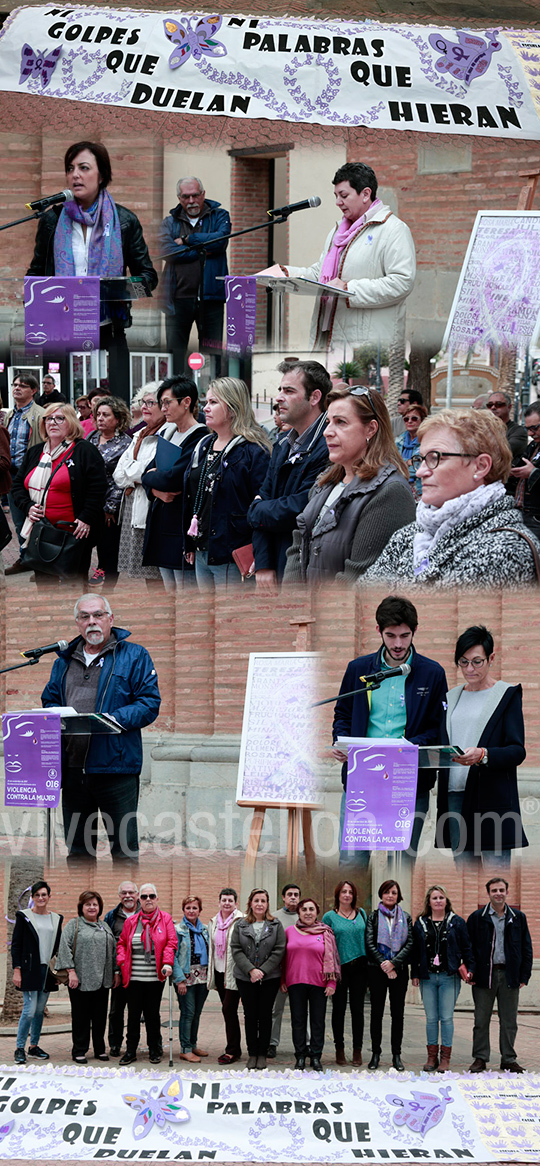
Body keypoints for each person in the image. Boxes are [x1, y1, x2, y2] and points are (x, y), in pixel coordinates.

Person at [27, 140, 158, 389]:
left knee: (115, 405)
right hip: (61, 327)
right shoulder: (51, 220)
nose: (75, 174)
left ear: (102, 175)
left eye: (84, 168)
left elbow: (148, 277)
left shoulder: (125, 221)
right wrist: (33, 302)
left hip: (109, 327)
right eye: (70, 168)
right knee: (58, 407)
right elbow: (36, 272)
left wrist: (120, 290)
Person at [41, 593, 161, 861]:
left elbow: (149, 702)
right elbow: (50, 698)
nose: (92, 622)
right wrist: (52, 713)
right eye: (85, 617)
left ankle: (126, 903)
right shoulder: (63, 660)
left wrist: (113, 719)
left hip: (115, 769)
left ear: (111, 619)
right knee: (79, 853)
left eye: (98, 615)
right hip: (72, 771)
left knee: (124, 853)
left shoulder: (134, 655)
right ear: (77, 623)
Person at [365, 407, 540, 586]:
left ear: (480, 466)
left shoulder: (507, 550)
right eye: (421, 459)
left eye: (436, 458)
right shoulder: (410, 534)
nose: (421, 472)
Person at [332, 595, 448, 858]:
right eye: (391, 635)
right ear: (378, 631)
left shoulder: (432, 673)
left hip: (410, 780)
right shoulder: (358, 669)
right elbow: (343, 714)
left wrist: (409, 747)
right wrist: (341, 741)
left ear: (415, 631)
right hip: (362, 779)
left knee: (403, 863)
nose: (398, 644)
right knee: (351, 861)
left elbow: (439, 727)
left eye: (405, 636)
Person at [260, 162, 416, 352]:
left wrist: (349, 288)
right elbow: (320, 275)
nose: (337, 202)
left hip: (366, 345)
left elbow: (402, 282)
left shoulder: (393, 230)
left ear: (366, 194)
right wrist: (284, 272)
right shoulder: (338, 231)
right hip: (327, 337)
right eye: (336, 196)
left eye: (343, 195)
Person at [283, 386, 415, 584]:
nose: (327, 432)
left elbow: (359, 578)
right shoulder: (324, 482)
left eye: (340, 422)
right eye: (328, 422)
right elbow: (298, 546)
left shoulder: (389, 492)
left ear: (370, 428)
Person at [436, 625, 528, 863]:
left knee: (496, 875)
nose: (470, 669)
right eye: (463, 662)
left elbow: (517, 751)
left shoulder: (506, 695)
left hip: (492, 798)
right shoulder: (451, 697)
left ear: (491, 658)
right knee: (464, 874)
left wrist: (483, 754)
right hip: (455, 796)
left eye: (477, 662)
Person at [248, 361, 331, 587]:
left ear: (314, 397)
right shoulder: (283, 443)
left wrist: (256, 510)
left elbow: (302, 508)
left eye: (289, 391)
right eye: (280, 390)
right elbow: (265, 499)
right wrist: (264, 562)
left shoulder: (330, 445)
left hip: (303, 568)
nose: (278, 398)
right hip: (274, 564)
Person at [184, 377, 271, 590]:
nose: (206, 408)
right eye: (207, 402)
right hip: (202, 548)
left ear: (233, 408)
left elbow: (261, 506)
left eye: (214, 402)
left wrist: (261, 557)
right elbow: (194, 495)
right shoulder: (204, 445)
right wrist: (190, 542)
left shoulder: (254, 451)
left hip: (233, 553)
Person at [10, 403, 107, 586]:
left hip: (73, 533)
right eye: (48, 418)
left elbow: (98, 488)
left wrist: (86, 517)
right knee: (45, 586)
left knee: (74, 586)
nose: (52, 422)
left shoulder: (84, 450)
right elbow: (17, 487)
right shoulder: (35, 452)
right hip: (41, 532)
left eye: (60, 418)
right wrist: (28, 506)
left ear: (71, 422)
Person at [141, 376, 208, 590]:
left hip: (180, 525)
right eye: (161, 403)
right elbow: (144, 473)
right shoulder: (169, 432)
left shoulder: (200, 437)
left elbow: (174, 479)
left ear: (186, 402)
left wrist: (155, 478)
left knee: (184, 592)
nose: (163, 408)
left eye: (168, 402)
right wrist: (155, 490)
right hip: (161, 521)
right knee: (168, 592)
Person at [159, 176, 230, 374]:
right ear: (179, 198)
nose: (191, 201)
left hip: (211, 298)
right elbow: (166, 251)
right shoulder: (169, 222)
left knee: (212, 354)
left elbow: (220, 241)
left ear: (203, 194)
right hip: (177, 298)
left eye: (195, 195)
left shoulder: (219, 215)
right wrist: (199, 251)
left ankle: (211, 396)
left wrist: (186, 239)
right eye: (186, 196)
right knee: (176, 355)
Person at [467, 877, 532, 1073]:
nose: (498, 893)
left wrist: (524, 975)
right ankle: (480, 1058)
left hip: (509, 976)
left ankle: (509, 1059)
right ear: (488, 893)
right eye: (494, 890)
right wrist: (471, 970)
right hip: (484, 976)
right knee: (481, 1020)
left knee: (509, 1021)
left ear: (507, 892)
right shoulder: (477, 917)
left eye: (501, 890)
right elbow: (468, 947)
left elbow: (526, 947)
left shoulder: (518, 917)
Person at [411, 885, 474, 1073]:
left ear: (446, 901)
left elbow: (467, 947)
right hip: (428, 977)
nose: (438, 901)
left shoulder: (457, 922)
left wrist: (470, 969)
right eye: (434, 898)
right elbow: (415, 951)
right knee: (431, 1018)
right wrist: (414, 973)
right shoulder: (420, 923)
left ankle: (445, 1058)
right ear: (428, 902)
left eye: (441, 897)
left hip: (449, 976)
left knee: (446, 1018)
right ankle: (431, 1057)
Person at [116, 883, 177, 1066]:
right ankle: (131, 1051)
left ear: (157, 898)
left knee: (152, 1014)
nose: (148, 900)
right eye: (144, 897)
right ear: (138, 900)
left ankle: (154, 1049)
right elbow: (122, 944)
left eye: (151, 896)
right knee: (133, 1015)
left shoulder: (165, 919)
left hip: (154, 978)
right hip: (133, 977)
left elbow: (170, 943)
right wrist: (122, 961)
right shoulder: (131, 922)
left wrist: (167, 963)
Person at [56, 890, 116, 1064]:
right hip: (79, 980)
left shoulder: (105, 926)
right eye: (88, 904)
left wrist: (115, 972)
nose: (91, 907)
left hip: (103, 981)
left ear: (99, 907)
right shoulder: (74, 925)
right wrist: (71, 971)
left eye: (95, 904)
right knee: (81, 1017)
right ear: (81, 907)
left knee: (99, 1017)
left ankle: (99, 1049)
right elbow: (64, 948)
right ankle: (79, 1050)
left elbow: (112, 951)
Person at [113, 384, 163, 586]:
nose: (145, 407)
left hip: (151, 509)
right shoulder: (139, 434)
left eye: (151, 403)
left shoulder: (167, 434)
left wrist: (136, 473)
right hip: (134, 506)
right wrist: (138, 474)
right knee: (148, 577)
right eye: (143, 402)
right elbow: (119, 475)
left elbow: (152, 473)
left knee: (158, 577)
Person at [230, 889, 285, 1071]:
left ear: (267, 904)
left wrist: (262, 970)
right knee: (250, 1015)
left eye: (263, 900)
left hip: (270, 978)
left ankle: (262, 1054)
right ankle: (252, 1053)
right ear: (250, 903)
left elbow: (279, 950)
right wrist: (251, 970)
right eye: (256, 900)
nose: (260, 904)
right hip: (245, 978)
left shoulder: (275, 925)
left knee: (265, 1015)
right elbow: (236, 949)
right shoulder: (241, 925)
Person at [284, 897, 340, 1071]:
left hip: (319, 984)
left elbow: (332, 958)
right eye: (304, 910)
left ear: (316, 913)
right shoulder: (289, 931)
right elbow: (283, 959)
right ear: (298, 913)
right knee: (298, 1021)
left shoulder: (325, 932)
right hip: (295, 982)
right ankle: (300, 1055)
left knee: (318, 1021)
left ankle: (316, 1056)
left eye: (311, 909)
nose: (308, 913)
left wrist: (332, 982)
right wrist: (283, 980)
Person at [11, 880, 63, 1065]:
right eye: (37, 895)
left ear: (49, 896)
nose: (41, 898)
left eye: (44, 894)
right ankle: (19, 1048)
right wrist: (17, 970)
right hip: (29, 969)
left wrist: (58, 973)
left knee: (40, 1010)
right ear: (32, 897)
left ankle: (33, 1046)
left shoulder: (56, 919)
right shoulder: (24, 917)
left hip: (47, 970)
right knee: (29, 1010)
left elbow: (58, 947)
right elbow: (16, 945)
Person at [365, 880, 413, 1072]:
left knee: (397, 1014)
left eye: (393, 892)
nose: (390, 896)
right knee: (376, 1013)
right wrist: (385, 964)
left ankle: (396, 1055)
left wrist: (394, 963)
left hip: (399, 971)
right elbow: (369, 943)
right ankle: (375, 1053)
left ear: (398, 895)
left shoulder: (406, 917)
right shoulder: (374, 917)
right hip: (377, 970)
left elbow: (410, 943)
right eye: (386, 892)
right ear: (381, 895)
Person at [87, 395, 132, 587]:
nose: (100, 418)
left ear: (118, 419)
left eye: (106, 415)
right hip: (88, 503)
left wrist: (110, 508)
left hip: (108, 508)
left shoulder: (125, 443)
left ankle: (109, 590)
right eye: (98, 414)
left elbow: (121, 479)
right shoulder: (92, 437)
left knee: (108, 549)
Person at [322, 880, 367, 1067]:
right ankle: (339, 1049)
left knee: (358, 1010)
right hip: (340, 969)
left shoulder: (362, 913)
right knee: (338, 1010)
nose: (347, 895)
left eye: (350, 892)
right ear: (338, 895)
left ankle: (357, 1050)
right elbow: (324, 945)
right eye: (343, 892)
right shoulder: (329, 917)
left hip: (360, 967)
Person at [4, 373, 44, 575]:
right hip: (13, 478)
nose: (17, 388)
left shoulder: (41, 414)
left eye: (23, 385)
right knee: (19, 521)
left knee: (37, 519)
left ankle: (40, 560)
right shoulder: (11, 415)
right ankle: (25, 558)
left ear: (34, 390)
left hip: (35, 476)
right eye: (15, 384)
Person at [207, 888, 244, 1065]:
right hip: (219, 972)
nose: (227, 903)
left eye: (230, 900)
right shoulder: (214, 921)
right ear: (219, 901)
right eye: (224, 900)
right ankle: (235, 1048)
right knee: (229, 1011)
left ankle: (232, 1050)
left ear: (236, 902)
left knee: (228, 1009)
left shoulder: (241, 920)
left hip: (235, 973)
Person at [104, 881, 140, 1057]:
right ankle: (115, 1044)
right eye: (124, 893)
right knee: (116, 1010)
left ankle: (134, 1045)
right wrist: (114, 971)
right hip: (118, 971)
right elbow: (108, 945)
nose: (128, 896)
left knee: (137, 1011)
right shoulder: (111, 916)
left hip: (140, 972)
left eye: (131, 892)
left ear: (137, 894)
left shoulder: (146, 913)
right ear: (119, 896)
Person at [173, 896, 210, 1064]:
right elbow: (172, 956)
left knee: (196, 1013)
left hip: (202, 977)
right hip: (185, 979)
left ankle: (193, 1044)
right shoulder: (178, 929)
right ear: (183, 910)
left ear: (199, 910)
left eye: (194, 908)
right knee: (187, 1013)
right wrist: (179, 979)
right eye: (188, 908)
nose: (191, 911)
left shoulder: (204, 930)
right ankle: (185, 1049)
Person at [267, 883, 301, 1059]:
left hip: (299, 972)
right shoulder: (274, 918)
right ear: (283, 897)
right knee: (275, 1009)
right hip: (278, 971)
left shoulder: (305, 917)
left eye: (296, 894)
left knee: (302, 1010)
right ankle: (272, 1043)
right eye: (290, 894)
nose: (293, 897)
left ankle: (306, 1043)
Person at [509, 400, 540, 536]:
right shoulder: (533, 445)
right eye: (527, 429)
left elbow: (531, 472)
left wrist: (533, 473)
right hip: (525, 515)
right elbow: (521, 465)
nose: (530, 433)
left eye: (535, 428)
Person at [396, 403, 428, 498]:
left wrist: (403, 463)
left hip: (421, 489)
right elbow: (392, 465)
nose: (409, 421)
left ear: (422, 421)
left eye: (414, 418)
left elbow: (422, 468)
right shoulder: (397, 441)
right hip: (399, 488)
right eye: (406, 419)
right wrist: (409, 463)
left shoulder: (427, 441)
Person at [485, 392, 528, 458]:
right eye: (490, 405)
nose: (493, 407)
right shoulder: (482, 429)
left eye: (499, 404)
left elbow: (503, 452)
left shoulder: (518, 431)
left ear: (509, 407)